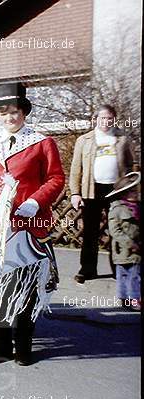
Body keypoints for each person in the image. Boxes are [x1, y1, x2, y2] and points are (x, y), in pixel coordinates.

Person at [0, 83, 65, 366]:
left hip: (27, 224)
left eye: (15, 111)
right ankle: (1, 344)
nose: (10, 117)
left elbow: (56, 178)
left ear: (24, 113)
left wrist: (35, 201)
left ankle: (24, 344)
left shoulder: (42, 142)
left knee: (25, 285)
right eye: (4, 112)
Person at [69, 104, 136, 283]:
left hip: (117, 190)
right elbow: (76, 169)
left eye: (109, 118)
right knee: (90, 232)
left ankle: (119, 269)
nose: (106, 121)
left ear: (114, 119)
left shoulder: (123, 139)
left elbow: (132, 166)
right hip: (92, 190)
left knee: (118, 230)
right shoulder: (84, 140)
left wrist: (130, 189)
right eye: (102, 118)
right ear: (95, 119)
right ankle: (87, 270)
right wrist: (75, 193)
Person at [106, 172, 140, 311]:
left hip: (136, 250)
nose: (136, 193)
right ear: (124, 194)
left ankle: (130, 297)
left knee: (134, 274)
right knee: (127, 275)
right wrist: (129, 243)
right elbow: (115, 231)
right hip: (123, 249)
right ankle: (129, 298)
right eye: (132, 191)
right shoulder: (117, 209)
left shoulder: (137, 208)